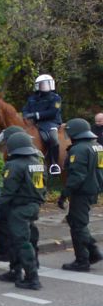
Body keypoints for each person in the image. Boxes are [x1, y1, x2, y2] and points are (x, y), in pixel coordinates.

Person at [0, 132, 46, 289]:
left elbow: (8, 191)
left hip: (19, 209)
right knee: (21, 239)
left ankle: (32, 278)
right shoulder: (37, 163)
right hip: (32, 207)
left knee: (21, 242)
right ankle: (15, 271)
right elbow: (40, 188)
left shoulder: (13, 165)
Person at [58, 118, 103, 272]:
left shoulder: (78, 149)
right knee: (75, 220)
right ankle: (93, 252)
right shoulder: (97, 146)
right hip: (93, 189)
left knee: (78, 226)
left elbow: (77, 176)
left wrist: (65, 194)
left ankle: (82, 261)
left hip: (81, 191)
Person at [21, 74, 63, 174]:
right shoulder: (32, 98)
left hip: (51, 123)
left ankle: (54, 164)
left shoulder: (56, 98)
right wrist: (26, 115)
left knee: (53, 139)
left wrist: (35, 115)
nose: (45, 86)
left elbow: (53, 112)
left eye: (47, 84)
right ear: (37, 86)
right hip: (35, 123)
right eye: (42, 84)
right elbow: (25, 109)